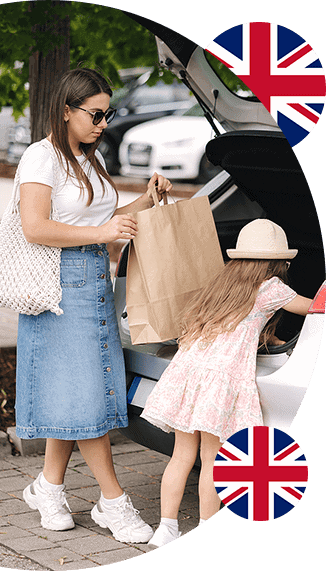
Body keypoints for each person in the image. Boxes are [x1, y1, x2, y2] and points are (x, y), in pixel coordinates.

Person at [15, 67, 172, 543]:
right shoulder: (42, 159)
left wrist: (145, 200)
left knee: (76, 389)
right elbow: (35, 228)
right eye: (96, 113)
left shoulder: (86, 159)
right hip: (57, 287)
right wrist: (101, 234)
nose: (104, 122)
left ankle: (49, 487)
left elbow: (110, 222)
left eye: (109, 113)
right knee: (88, 392)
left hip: (91, 283)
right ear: (67, 110)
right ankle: (112, 501)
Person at [140, 218, 313, 548]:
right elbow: (313, 308)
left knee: (181, 456)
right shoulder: (271, 288)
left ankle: (165, 528)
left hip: (188, 375)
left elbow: (237, 326)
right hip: (221, 380)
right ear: (280, 261)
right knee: (212, 459)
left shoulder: (221, 283)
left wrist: (269, 338)